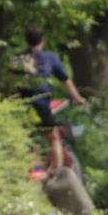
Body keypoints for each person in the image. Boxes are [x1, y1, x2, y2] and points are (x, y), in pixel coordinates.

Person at [17, 24, 86, 172]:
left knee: (24, 136)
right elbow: (65, 81)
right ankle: (57, 175)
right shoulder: (50, 57)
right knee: (53, 138)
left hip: (22, 104)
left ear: (26, 40)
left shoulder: (18, 58)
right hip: (41, 103)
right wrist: (77, 98)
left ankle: (24, 169)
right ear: (43, 40)